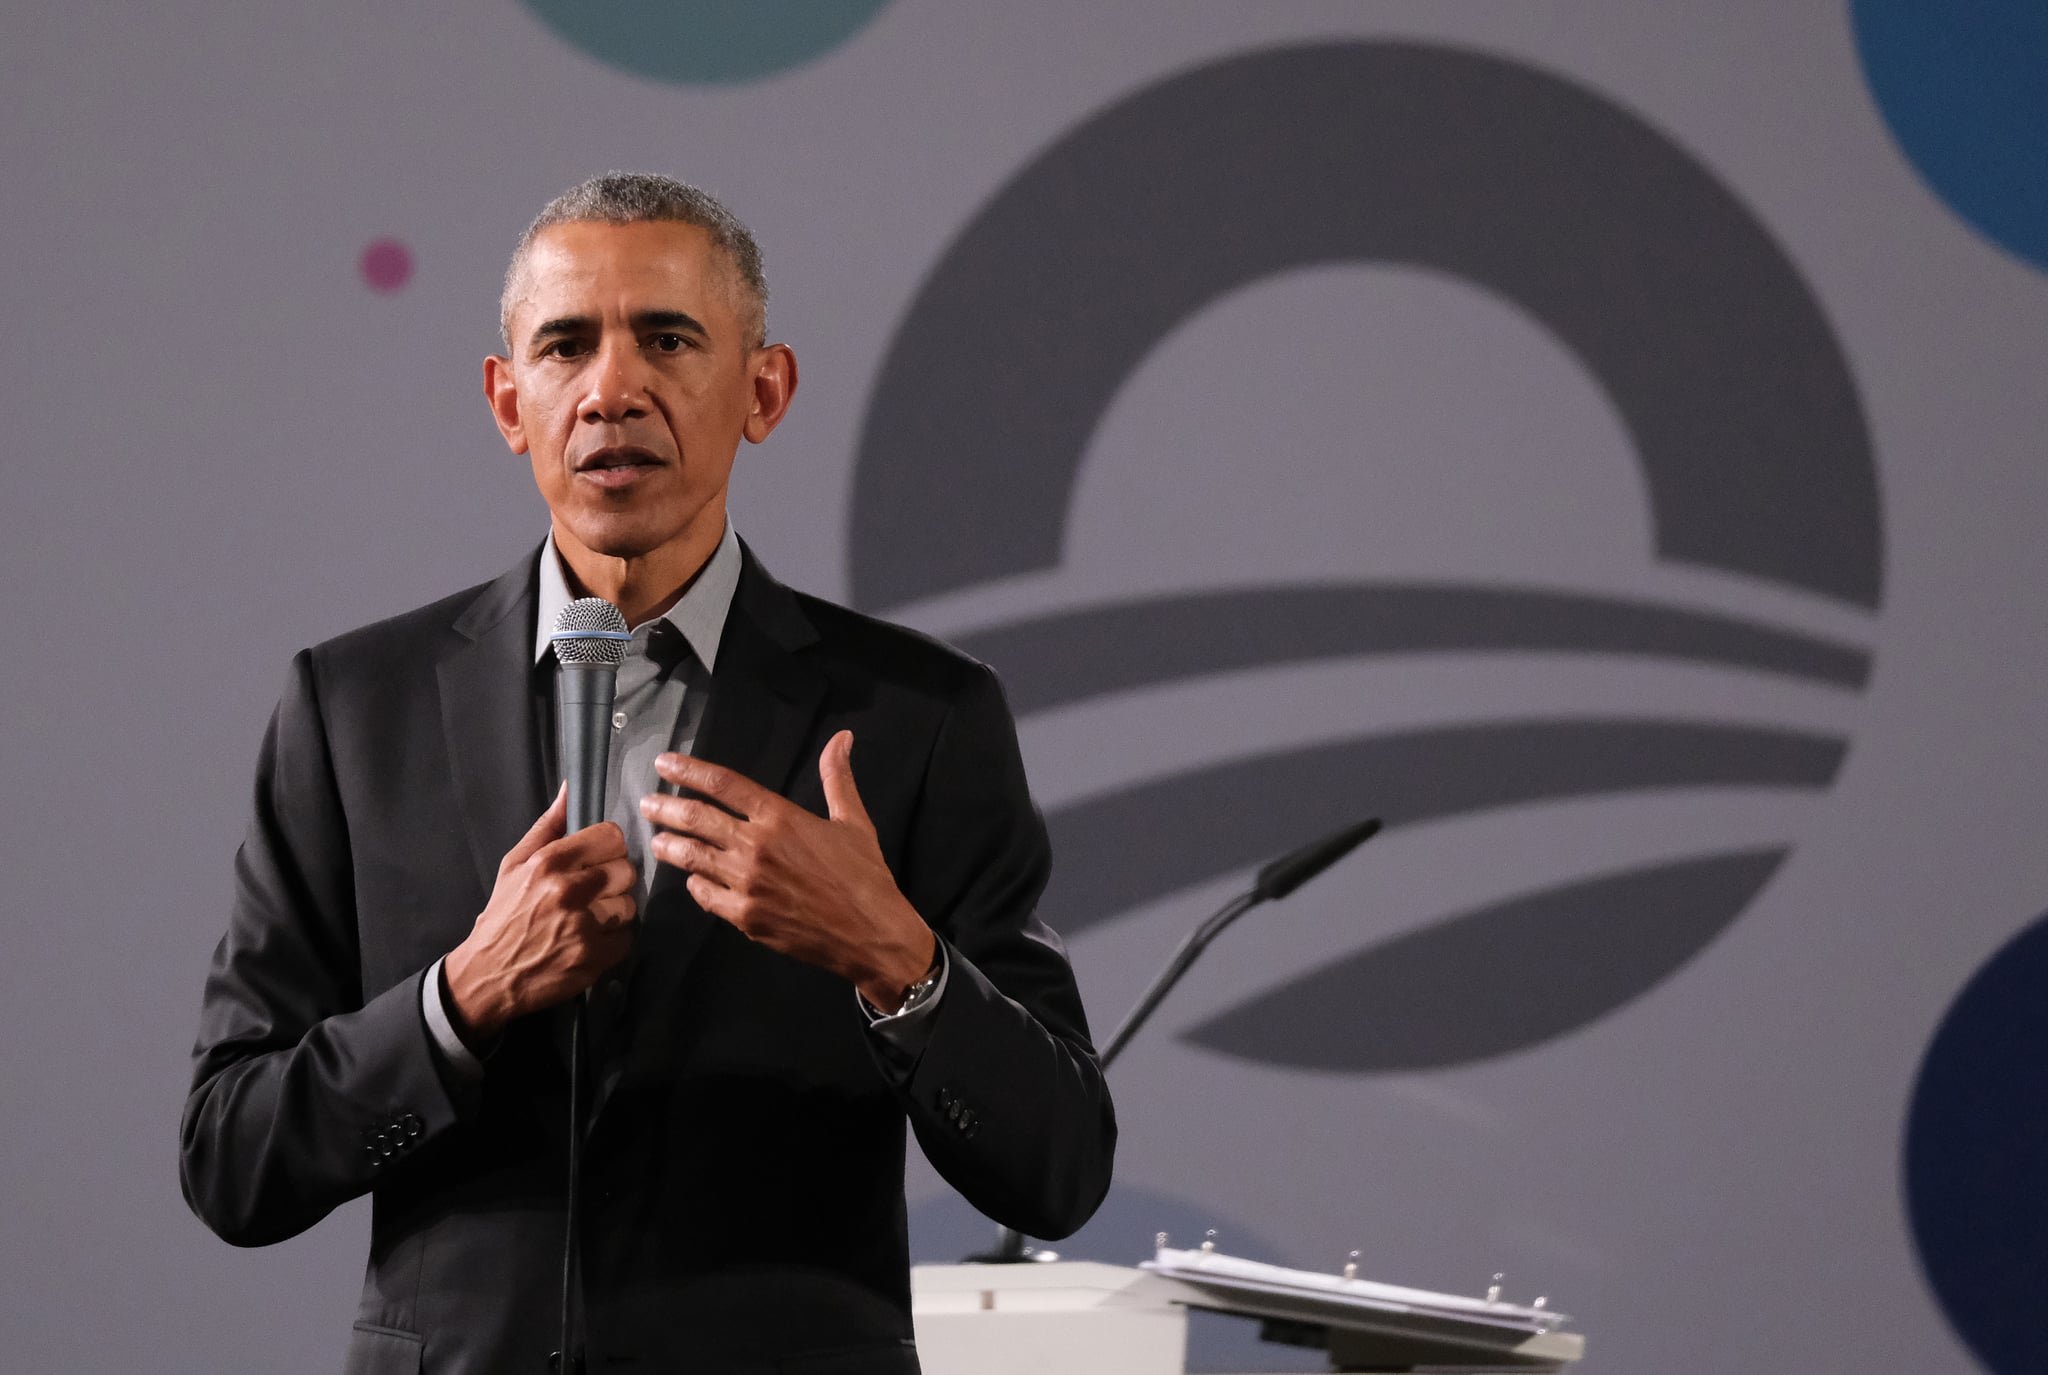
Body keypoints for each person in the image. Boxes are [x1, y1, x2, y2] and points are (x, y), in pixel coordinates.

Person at [179, 172, 1116, 1374]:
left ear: (762, 390)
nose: (612, 389)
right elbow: (229, 1157)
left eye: (667, 339)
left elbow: (1059, 1168)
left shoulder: (918, 717)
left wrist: (896, 957)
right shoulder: (354, 708)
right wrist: (457, 998)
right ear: (507, 399)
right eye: (566, 346)